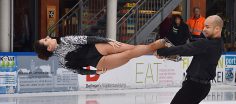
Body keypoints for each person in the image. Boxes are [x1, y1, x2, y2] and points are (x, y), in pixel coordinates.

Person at [34, 36, 166, 75]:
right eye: (45, 40)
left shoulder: (64, 40)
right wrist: (95, 72)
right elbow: (79, 71)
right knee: (129, 54)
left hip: (98, 48)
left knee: (131, 49)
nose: (47, 37)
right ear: (49, 48)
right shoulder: (62, 61)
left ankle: (157, 50)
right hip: (99, 61)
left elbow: (87, 39)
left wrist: (107, 41)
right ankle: (157, 49)